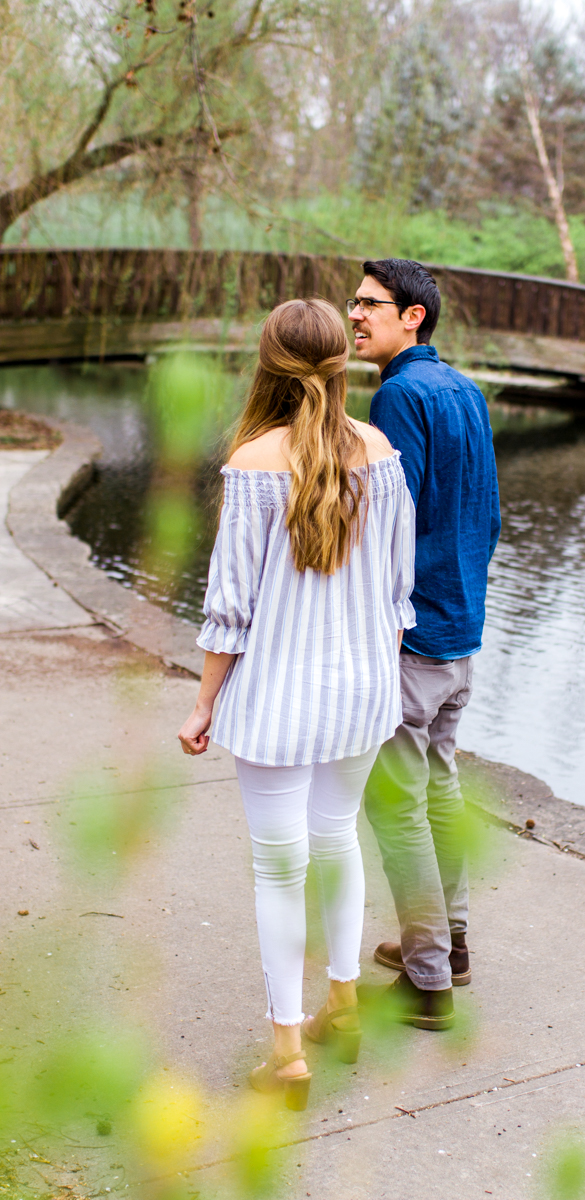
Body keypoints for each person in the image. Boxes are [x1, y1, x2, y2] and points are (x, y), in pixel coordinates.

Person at [177, 298, 416, 1109]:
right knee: (337, 838)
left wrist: (204, 705)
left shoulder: (250, 465)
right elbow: (396, 592)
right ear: (340, 367)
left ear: (267, 365)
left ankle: (285, 1054)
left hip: (277, 699)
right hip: (361, 693)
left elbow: (228, 613)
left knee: (279, 871)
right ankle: (342, 1010)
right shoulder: (380, 453)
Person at [347, 259, 501, 1030]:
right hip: (461, 628)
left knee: (397, 804)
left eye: (370, 304)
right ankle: (452, 943)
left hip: (413, 632)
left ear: (414, 317)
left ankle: (428, 976)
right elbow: (489, 515)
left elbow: (388, 524)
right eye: (354, 302)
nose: (354, 314)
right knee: (438, 787)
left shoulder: (400, 395)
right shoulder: (466, 391)